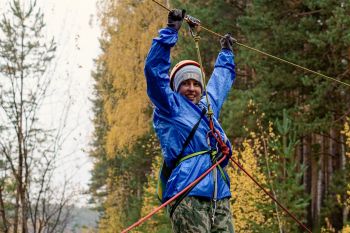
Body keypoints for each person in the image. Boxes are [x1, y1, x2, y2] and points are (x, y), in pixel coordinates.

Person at [144, 8, 236, 233]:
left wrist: (226, 53)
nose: (192, 88)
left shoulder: (208, 108)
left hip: (219, 192)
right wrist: (169, 33)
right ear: (176, 87)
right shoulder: (170, 106)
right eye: (185, 83)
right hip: (188, 190)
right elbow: (154, 72)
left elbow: (220, 83)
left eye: (196, 84)